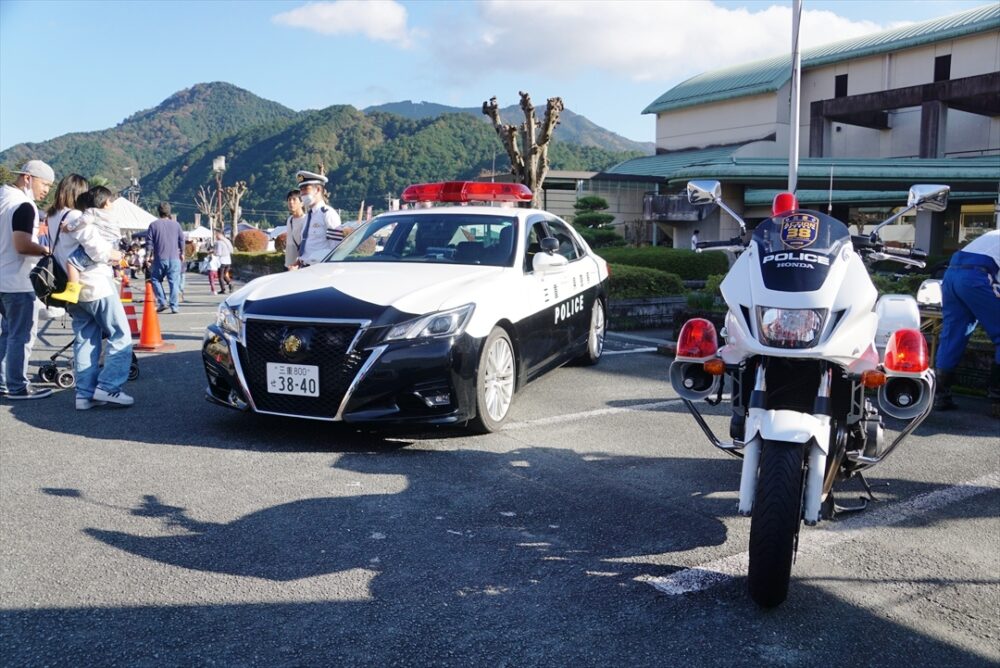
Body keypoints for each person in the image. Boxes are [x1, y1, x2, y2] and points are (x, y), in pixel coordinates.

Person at [53, 187, 134, 410]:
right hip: (96, 285)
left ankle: (83, 395)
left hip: (75, 289)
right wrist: (114, 255)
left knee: (85, 339)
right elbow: (98, 251)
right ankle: (109, 386)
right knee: (120, 334)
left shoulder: (52, 217)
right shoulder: (80, 216)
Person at [0, 160, 56, 400]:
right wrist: (45, 251)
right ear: (27, 178)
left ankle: (4, 382)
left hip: (2, 278)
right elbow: (22, 244)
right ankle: (17, 386)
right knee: (20, 336)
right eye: (44, 184)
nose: (46, 190)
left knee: (7, 334)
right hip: (18, 280)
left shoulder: (3, 198)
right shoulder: (24, 205)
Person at [933, 229, 1000, 416]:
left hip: (951, 275)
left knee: (953, 335)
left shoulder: (994, 234)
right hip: (977, 276)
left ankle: (940, 396)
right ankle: (997, 399)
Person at [49, 177, 121, 304]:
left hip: (67, 277)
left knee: (83, 324)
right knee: (115, 324)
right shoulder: (76, 215)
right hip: (93, 285)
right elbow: (96, 249)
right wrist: (111, 254)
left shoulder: (52, 216)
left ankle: (71, 291)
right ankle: (72, 291)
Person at [295, 169, 346, 267]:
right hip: (304, 268)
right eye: (301, 190)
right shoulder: (308, 216)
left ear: (318, 189)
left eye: (306, 189)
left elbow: (335, 249)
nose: (302, 193)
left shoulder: (328, 214)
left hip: (319, 269)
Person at [146, 202, 185, 313]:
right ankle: (174, 306)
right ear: (169, 212)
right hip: (174, 258)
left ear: (158, 212)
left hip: (160, 258)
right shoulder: (176, 225)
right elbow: (181, 240)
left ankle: (162, 302)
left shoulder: (153, 225)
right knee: (174, 282)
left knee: (155, 279)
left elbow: (149, 242)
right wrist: (182, 253)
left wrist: (148, 256)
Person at [283, 189, 308, 270]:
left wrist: (298, 263)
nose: (291, 202)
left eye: (294, 199)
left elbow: (306, 245)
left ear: (302, 203)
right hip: (288, 264)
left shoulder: (306, 220)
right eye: (289, 199)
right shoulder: (289, 220)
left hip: (299, 266)